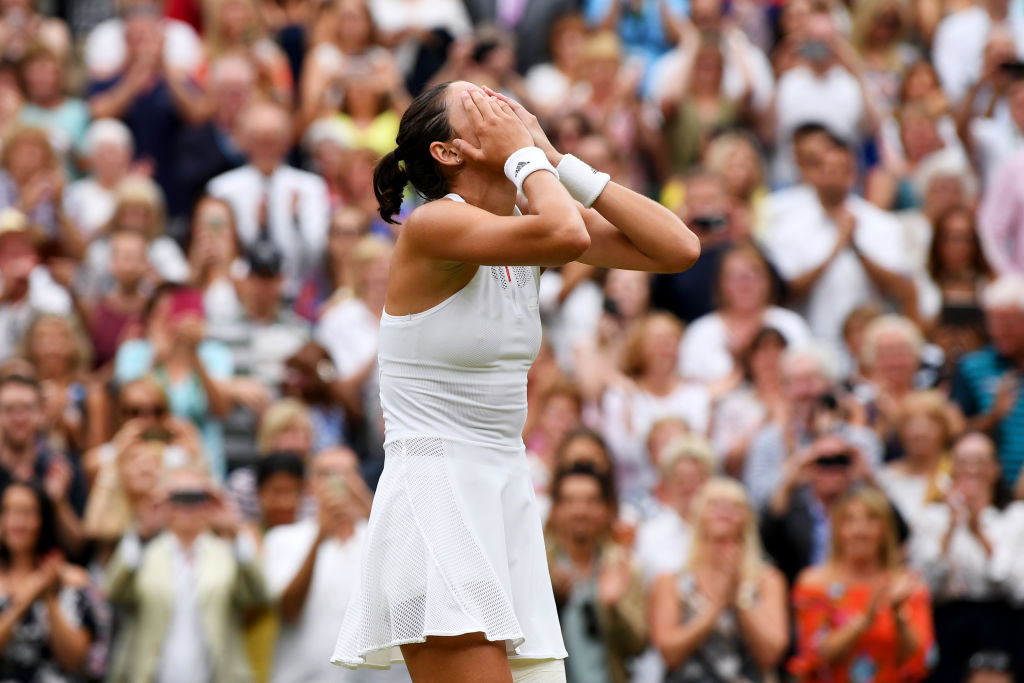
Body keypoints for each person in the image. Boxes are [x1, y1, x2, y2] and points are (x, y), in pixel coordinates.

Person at [330, 81, 699, 682]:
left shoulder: (528, 221)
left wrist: (555, 160)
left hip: (504, 494)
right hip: (435, 493)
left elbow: (678, 247)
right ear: (448, 151)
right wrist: (527, 158)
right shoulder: (434, 225)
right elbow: (569, 235)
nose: (501, 103)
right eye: (478, 103)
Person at [105, 465, 268, 682]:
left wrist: (234, 531)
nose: (187, 506)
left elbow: (260, 595)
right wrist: (142, 531)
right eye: (179, 497)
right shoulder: (145, 552)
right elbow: (112, 592)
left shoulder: (227, 552)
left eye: (196, 497)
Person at [789, 486, 935, 682]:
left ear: (885, 529)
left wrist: (897, 613)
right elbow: (814, 655)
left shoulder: (907, 585)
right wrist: (865, 619)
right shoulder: (813, 583)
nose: (860, 530)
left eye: (871, 520)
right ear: (837, 529)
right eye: (849, 520)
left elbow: (923, 659)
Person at [650, 478, 788, 683]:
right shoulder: (671, 581)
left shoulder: (768, 579)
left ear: (747, 518)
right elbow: (669, 655)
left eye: (735, 506)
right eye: (714, 504)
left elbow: (771, 655)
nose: (724, 511)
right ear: (697, 515)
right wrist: (716, 608)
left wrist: (739, 600)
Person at [262, 448, 382, 683]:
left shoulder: (376, 538)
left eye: (347, 473)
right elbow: (287, 611)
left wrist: (370, 507)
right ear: (311, 485)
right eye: (327, 474)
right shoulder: (282, 538)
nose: (338, 483)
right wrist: (319, 537)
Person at [909, 432, 1016, 683]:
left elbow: (1018, 588)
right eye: (964, 461)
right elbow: (923, 585)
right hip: (947, 626)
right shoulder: (932, 518)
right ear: (952, 467)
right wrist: (950, 529)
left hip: (1001, 627)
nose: (972, 470)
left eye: (980, 461)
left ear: (996, 468)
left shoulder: (1015, 517)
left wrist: (979, 533)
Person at [206, 100, 330, 298]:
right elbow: (216, 251)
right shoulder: (221, 190)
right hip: (238, 292)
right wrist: (256, 228)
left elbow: (317, 254)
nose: (265, 146)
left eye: (273, 138)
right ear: (243, 140)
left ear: (287, 141)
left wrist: (296, 221)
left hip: (297, 291)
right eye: (258, 138)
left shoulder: (310, 187)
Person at [544, 463, 647, 683]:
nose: (580, 511)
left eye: (591, 501)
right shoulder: (540, 566)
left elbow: (638, 646)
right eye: (570, 501)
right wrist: (554, 600)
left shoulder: (624, 566)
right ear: (555, 509)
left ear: (607, 509)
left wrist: (613, 608)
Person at [601, 312, 712, 504]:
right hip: (633, 495)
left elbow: (701, 452)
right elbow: (619, 450)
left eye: (671, 339)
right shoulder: (619, 395)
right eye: (657, 340)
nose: (664, 347)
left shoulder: (697, 395)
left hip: (689, 497)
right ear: (639, 346)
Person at [0, 481, 96, 682]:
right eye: (8, 511)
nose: (16, 522)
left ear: (43, 519)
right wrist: (22, 603)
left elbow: (76, 660)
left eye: (26, 512)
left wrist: (49, 597)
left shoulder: (70, 580)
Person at [680, 244, 810, 385]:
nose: (745, 284)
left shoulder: (790, 324)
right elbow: (687, 390)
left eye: (753, 275)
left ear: (768, 281)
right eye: (734, 276)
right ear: (720, 284)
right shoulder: (700, 332)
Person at [950, 274, 1024, 487]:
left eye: (1010, 322)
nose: (1001, 330)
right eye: (994, 321)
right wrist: (993, 416)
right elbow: (954, 432)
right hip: (988, 487)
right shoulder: (971, 367)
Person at [0, 374, 86, 555]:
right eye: (9, 409)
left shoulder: (61, 466)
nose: (19, 417)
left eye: (27, 408)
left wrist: (58, 503)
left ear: (41, 413)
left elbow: (80, 546)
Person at [634, 435, 714, 583]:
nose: (688, 485)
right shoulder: (651, 533)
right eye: (680, 478)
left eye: (695, 478)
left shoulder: (723, 532)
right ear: (666, 484)